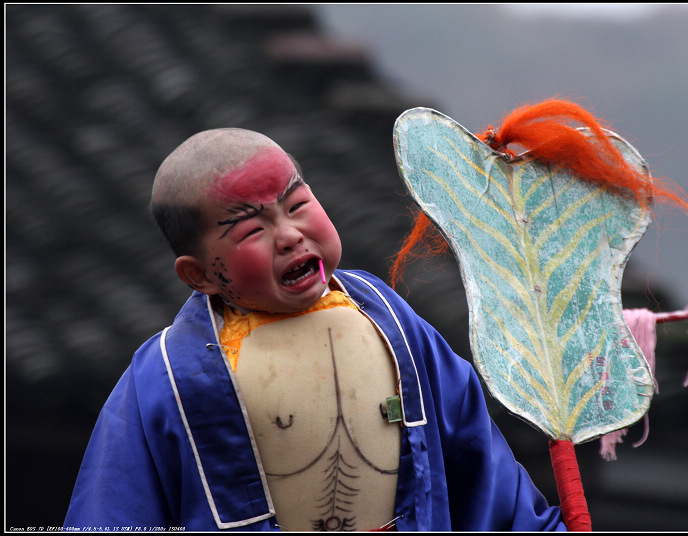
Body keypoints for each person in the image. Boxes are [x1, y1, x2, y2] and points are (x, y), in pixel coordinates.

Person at [63, 128, 566, 532]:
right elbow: (116, 507)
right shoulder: (168, 375)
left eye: (297, 204)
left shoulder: (391, 324)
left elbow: (479, 466)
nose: (289, 235)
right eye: (251, 230)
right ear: (197, 275)